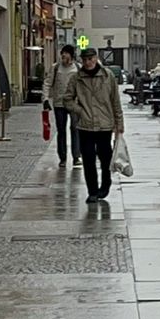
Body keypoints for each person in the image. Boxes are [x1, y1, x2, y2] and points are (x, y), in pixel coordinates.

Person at [64, 47, 124, 203]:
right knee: (88, 159)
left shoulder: (107, 76)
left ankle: (105, 184)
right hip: (85, 125)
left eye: (90, 59)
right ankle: (92, 191)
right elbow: (67, 99)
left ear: (96, 58)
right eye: (84, 60)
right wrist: (79, 111)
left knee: (105, 158)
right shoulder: (77, 78)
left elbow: (115, 101)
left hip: (105, 124)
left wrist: (119, 123)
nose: (88, 62)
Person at [45, 44, 81, 168]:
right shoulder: (55, 68)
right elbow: (47, 83)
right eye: (62, 53)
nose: (63, 56)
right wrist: (45, 99)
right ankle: (63, 158)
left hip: (74, 103)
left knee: (75, 128)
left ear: (71, 55)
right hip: (59, 103)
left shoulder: (77, 68)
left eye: (65, 53)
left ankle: (76, 156)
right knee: (61, 130)